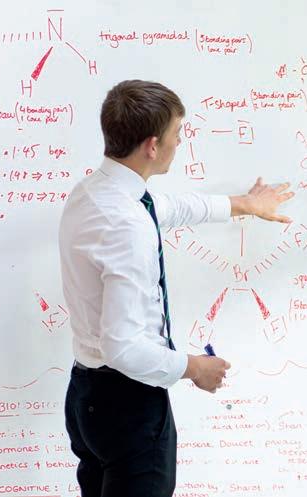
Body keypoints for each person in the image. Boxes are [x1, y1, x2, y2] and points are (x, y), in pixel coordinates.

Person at [58, 79, 294, 497]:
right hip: (128, 404)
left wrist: (244, 204)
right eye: (177, 134)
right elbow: (123, 349)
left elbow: (169, 208)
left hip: (87, 396)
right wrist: (193, 368)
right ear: (153, 145)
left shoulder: (96, 193)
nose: (180, 142)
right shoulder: (127, 225)